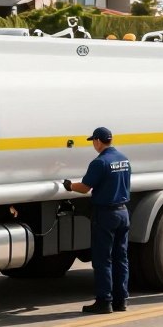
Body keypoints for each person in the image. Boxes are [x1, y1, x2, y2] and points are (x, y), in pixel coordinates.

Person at [62, 126, 131, 314]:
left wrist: (69, 186)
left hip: (106, 214)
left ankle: (104, 301)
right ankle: (121, 300)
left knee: (103, 259)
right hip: (123, 212)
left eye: (93, 140)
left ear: (98, 141)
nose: (93, 144)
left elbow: (85, 187)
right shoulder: (124, 159)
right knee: (121, 258)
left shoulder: (100, 162)